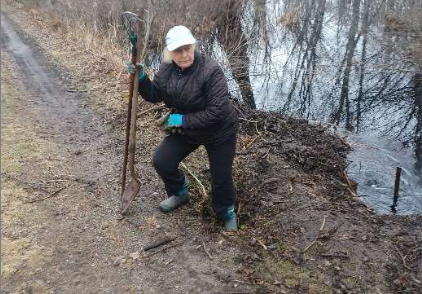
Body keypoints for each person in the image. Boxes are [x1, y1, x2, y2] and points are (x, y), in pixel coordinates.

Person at [128, 25, 239, 231]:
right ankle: (179, 192)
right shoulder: (167, 68)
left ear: (193, 46)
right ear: (170, 52)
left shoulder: (210, 70)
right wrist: (142, 79)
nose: (185, 54)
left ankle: (226, 211)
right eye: (178, 51)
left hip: (220, 131)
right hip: (188, 129)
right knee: (162, 161)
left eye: (187, 48)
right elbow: (155, 95)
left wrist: (181, 121)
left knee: (221, 177)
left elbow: (217, 112)